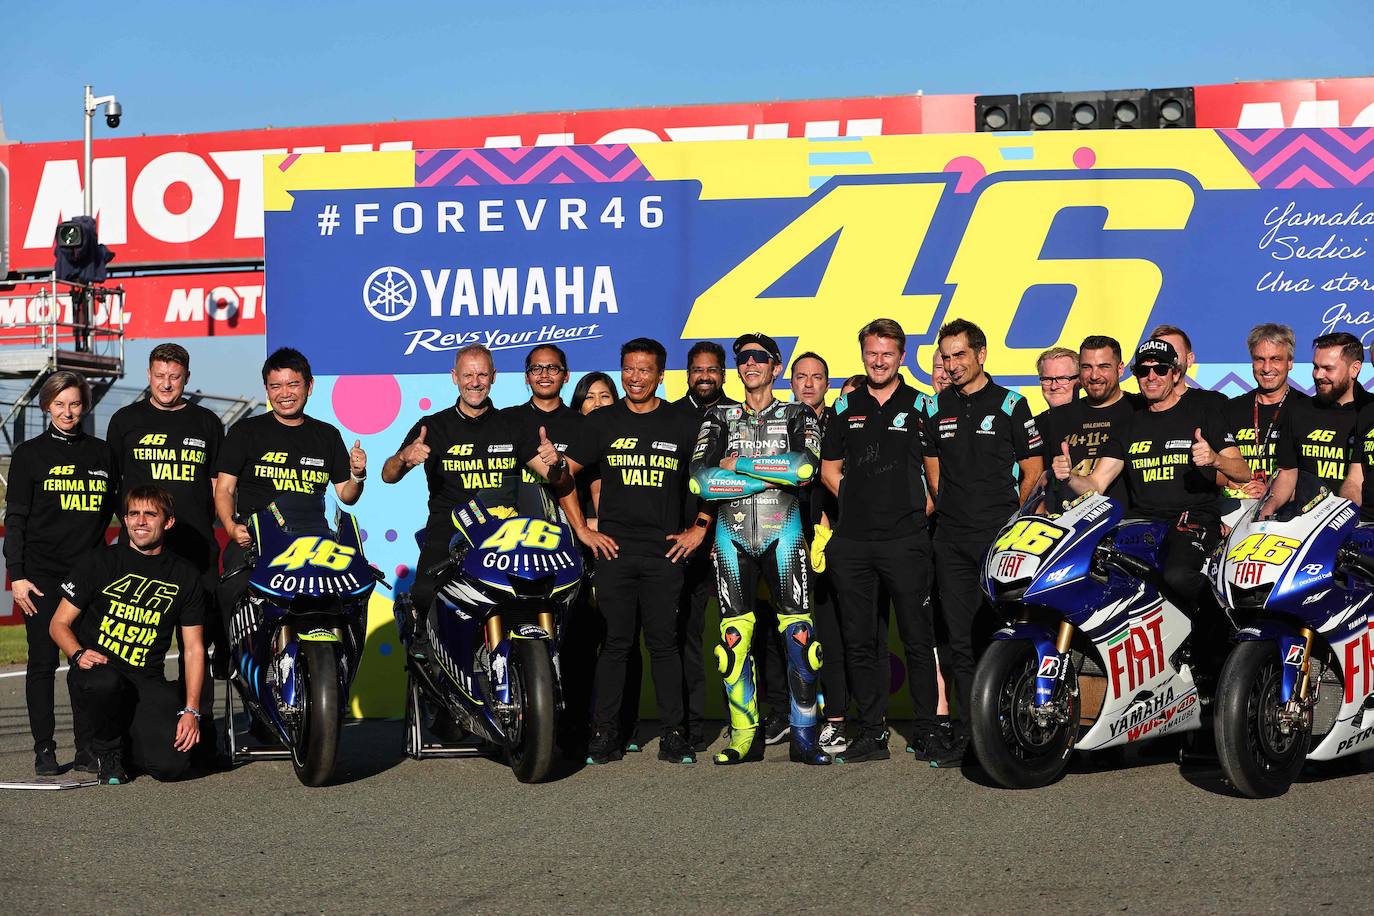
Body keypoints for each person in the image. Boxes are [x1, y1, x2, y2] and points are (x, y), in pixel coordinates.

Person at [554, 338, 708, 766]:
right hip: (614, 554)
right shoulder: (601, 421)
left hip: (665, 554)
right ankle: (605, 734)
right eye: (629, 369)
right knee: (616, 646)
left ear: (661, 376)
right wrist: (582, 529)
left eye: (645, 370)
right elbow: (562, 477)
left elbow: (710, 479)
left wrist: (699, 529)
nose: (635, 378)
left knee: (664, 646)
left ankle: (675, 735)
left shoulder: (682, 422)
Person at [689, 333, 829, 766]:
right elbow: (700, 480)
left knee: (800, 638)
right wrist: (774, 475)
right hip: (731, 538)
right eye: (743, 358)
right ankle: (744, 737)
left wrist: (740, 467)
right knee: (733, 643)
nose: (751, 364)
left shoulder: (797, 412)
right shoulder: (718, 416)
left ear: (774, 366)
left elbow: (804, 468)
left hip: (784, 534)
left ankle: (805, 738)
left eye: (759, 358)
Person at [821, 319, 945, 765]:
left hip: (906, 540)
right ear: (863, 355)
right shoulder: (843, 407)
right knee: (860, 641)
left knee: (916, 638)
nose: (878, 361)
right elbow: (829, 468)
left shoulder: (922, 405)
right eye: (872, 353)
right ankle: (871, 732)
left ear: (901, 356)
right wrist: (855, 501)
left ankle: (927, 729)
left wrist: (920, 511)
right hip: (853, 543)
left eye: (887, 354)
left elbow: (937, 474)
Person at [1058, 339, 1250, 628]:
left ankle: (1223, 637)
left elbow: (1243, 472)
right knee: (1107, 580)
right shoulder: (1128, 424)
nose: (1151, 377)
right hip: (1142, 524)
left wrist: (1215, 459)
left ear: (1175, 373)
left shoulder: (1203, 412)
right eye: (1143, 371)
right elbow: (1096, 484)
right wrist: (1069, 476)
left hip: (1192, 520)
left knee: (1177, 576)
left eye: (1160, 369)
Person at [924, 318, 1044, 764]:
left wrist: (1014, 518)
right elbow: (933, 467)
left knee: (1002, 632)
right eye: (946, 357)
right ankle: (973, 731)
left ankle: (1011, 724)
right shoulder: (936, 408)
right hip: (951, 540)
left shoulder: (1012, 404)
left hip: (1000, 538)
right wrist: (948, 505)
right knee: (959, 640)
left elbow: (1033, 468)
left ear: (981, 354)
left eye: (960, 355)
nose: (953, 365)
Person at [105, 342, 226, 766]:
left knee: (199, 645)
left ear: (186, 378)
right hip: (139, 553)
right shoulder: (125, 421)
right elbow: (113, 484)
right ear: (149, 375)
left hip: (195, 552)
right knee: (133, 644)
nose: (167, 383)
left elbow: (217, 487)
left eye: (175, 376)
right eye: (159, 375)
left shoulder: (207, 422)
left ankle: (203, 734)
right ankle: (123, 741)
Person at [381, 344, 551, 629]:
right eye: (468, 375)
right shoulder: (432, 426)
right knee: (424, 594)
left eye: (482, 374)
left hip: (503, 527)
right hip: (449, 528)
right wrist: (403, 458)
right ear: (454, 377)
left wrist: (555, 463)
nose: (475, 382)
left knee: (534, 594)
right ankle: (423, 651)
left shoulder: (513, 424)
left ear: (494, 376)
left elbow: (553, 474)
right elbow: (388, 475)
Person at [50, 486, 206, 785]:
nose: (141, 521)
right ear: (125, 520)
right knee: (105, 681)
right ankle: (106, 750)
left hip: (146, 679)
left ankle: (130, 742)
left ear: (168, 522)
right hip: (98, 673)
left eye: (150, 514)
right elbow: (58, 624)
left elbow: (194, 649)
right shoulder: (98, 562)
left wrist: (191, 710)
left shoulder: (184, 575)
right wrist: (78, 653)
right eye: (133, 514)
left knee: (170, 767)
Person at [5, 371, 112, 775]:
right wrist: (16, 574)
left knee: (87, 660)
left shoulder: (103, 454)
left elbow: (122, 512)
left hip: (90, 576)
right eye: (59, 404)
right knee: (43, 662)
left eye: (75, 403)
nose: (67, 411)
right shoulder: (29, 454)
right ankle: (44, 748)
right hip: (41, 576)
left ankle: (87, 748)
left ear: (84, 406)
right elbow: (15, 518)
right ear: (47, 406)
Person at [215, 348, 366, 627]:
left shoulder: (327, 435)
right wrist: (230, 526)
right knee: (231, 589)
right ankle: (229, 658)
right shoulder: (245, 431)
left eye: (293, 384)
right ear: (267, 389)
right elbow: (224, 489)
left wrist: (357, 475)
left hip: (315, 541)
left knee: (353, 594)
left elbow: (347, 495)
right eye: (276, 386)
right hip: (255, 537)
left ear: (309, 385)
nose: (285, 393)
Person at [673, 341, 741, 751]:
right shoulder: (669, 416)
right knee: (688, 635)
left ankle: (752, 719)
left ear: (723, 374)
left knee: (744, 633)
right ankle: (691, 723)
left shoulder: (740, 414)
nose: (704, 376)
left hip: (732, 537)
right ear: (687, 374)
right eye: (697, 369)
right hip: (683, 542)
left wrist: (710, 525)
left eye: (712, 370)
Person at [790, 350, 848, 753]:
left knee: (834, 632)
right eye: (801, 376)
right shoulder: (779, 423)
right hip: (784, 540)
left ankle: (839, 718)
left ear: (827, 384)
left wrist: (829, 528)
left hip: (834, 542)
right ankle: (790, 715)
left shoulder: (840, 423)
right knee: (792, 631)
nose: (809, 383)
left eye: (817, 377)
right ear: (790, 382)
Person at [1265, 332, 1371, 513]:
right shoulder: (1298, 410)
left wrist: (1341, 516)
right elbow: (1287, 473)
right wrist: (1267, 511)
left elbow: (1356, 480)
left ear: (1355, 369)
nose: (1318, 375)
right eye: (1315, 367)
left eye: (1328, 369)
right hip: (1301, 521)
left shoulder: (1368, 412)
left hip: (1355, 523)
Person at [1038, 335, 1139, 511]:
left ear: (1120, 369)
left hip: (1123, 527)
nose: (1094, 375)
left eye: (1103, 367)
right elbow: (1040, 480)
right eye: (1086, 367)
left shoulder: (1139, 410)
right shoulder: (1055, 418)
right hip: (1067, 527)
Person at [501, 344, 583, 521]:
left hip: (566, 532)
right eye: (536, 368)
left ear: (566, 376)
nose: (544, 375)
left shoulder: (582, 425)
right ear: (526, 377)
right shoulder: (506, 419)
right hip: (513, 532)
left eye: (552, 368)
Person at [1224, 324, 1306, 499]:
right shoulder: (1230, 409)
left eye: (1276, 359)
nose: (1267, 368)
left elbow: (1316, 477)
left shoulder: (1308, 409)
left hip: (1291, 513)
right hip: (1238, 509)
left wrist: (1274, 493)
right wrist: (1230, 482)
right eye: (1259, 359)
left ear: (1290, 362)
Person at [1148, 323, 1228, 409]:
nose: (1166, 359)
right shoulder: (1134, 406)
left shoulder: (1213, 403)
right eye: (1159, 354)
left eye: (1173, 353)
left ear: (1189, 359)